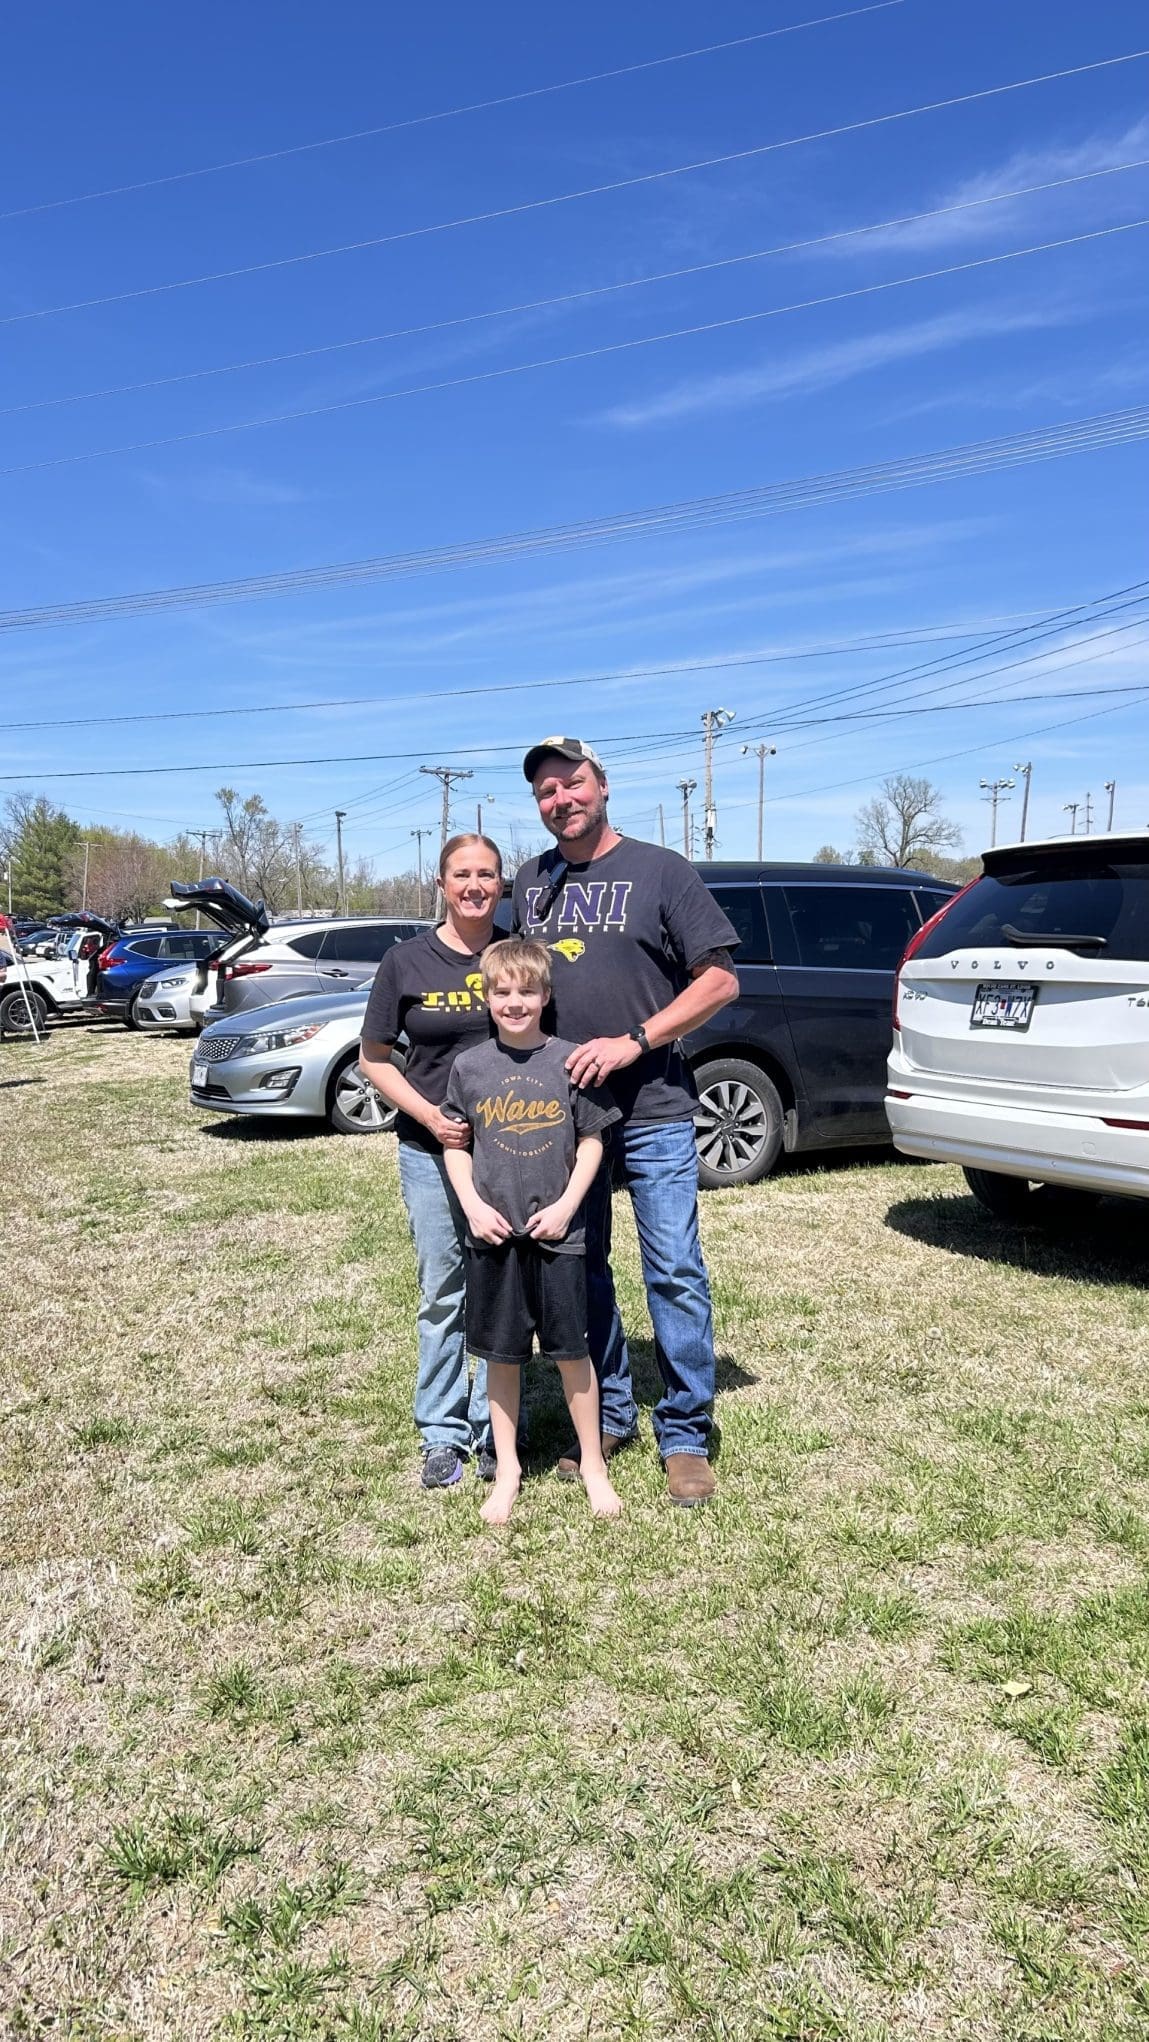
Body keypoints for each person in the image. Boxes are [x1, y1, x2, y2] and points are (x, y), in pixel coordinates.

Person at [512, 737, 740, 1506]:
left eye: (571, 783)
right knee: (582, 1268)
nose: (560, 799)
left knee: (672, 1268)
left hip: (654, 1110)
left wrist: (634, 1040)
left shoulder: (661, 871)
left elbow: (719, 982)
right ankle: (609, 1414)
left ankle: (685, 1433)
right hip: (566, 1118)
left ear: (602, 786)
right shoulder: (531, 882)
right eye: (546, 791)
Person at [442, 938, 621, 1527]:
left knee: (572, 1352)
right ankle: (508, 1469)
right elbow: (456, 1145)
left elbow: (592, 1141)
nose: (514, 1002)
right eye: (502, 992)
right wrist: (472, 1206)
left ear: (545, 995)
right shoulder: (469, 1067)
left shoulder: (570, 1061)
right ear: (487, 997)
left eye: (526, 991)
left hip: (558, 1234)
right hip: (495, 1236)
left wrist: (569, 1205)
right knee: (501, 1357)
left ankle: (593, 1465)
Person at [359, 833, 502, 1488]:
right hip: (429, 1151)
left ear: (500, 884)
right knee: (443, 1291)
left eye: (486, 874)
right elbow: (375, 1059)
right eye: (461, 874)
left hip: (508, 1152)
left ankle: (495, 1426)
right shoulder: (405, 961)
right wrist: (429, 1117)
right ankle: (442, 1432)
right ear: (441, 884)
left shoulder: (514, 954)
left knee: (499, 1287)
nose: (474, 885)